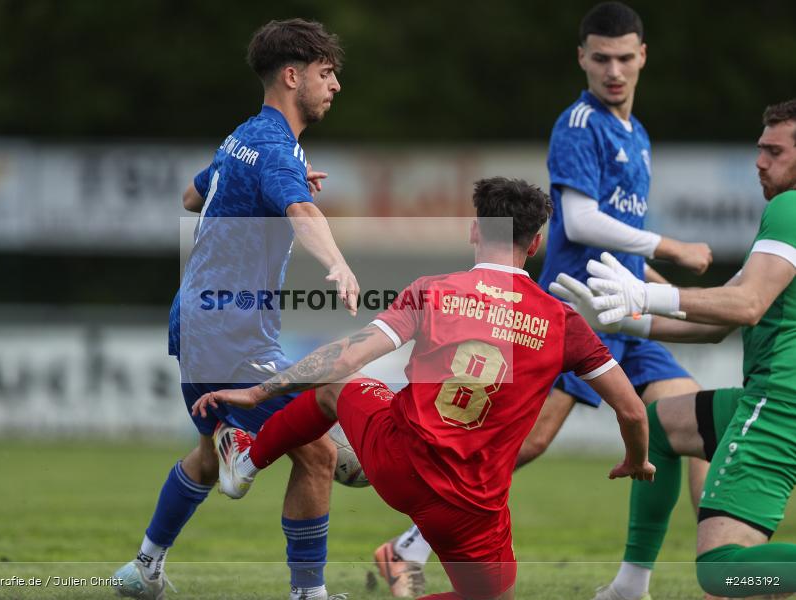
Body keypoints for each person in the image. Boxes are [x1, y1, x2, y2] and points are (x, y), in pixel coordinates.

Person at [369, 4, 716, 593]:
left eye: (625, 58)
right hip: (575, 313)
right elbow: (578, 222)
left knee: (693, 424)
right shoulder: (579, 126)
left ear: (642, 58)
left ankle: (696, 565)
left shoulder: (637, 133)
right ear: (582, 57)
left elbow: (618, 240)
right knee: (525, 443)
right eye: (601, 58)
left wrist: (660, 286)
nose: (614, 70)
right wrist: (674, 246)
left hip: (625, 312)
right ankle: (406, 548)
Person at [194, 177, 656, 600]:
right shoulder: (562, 321)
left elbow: (349, 356)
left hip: (398, 460)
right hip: (470, 505)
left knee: (338, 386)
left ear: (475, 231)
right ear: (535, 243)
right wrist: (636, 459)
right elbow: (633, 411)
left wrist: (259, 394)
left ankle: (248, 461)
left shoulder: (433, 290)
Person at [112, 19, 359, 600]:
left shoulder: (244, 138)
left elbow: (194, 195)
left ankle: (143, 567)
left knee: (205, 453)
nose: (335, 87)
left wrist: (279, 184)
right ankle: (307, 593)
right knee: (324, 455)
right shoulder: (274, 148)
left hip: (198, 320)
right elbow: (302, 215)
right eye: (327, 75)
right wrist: (338, 263)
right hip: (232, 326)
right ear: (292, 76)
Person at [553, 98, 796, 599]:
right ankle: (630, 585)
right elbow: (716, 322)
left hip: (780, 404)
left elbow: (747, 305)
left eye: (774, 151)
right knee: (660, 427)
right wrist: (630, 321)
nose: (760, 161)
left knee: (724, 574)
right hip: (773, 399)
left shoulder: (789, 208)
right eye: (760, 148)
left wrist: (648, 293)